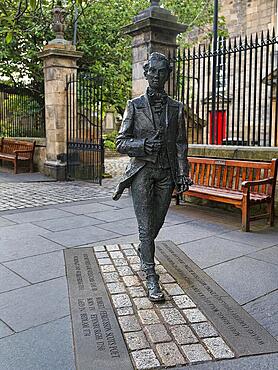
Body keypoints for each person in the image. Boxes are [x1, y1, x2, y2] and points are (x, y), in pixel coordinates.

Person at [113, 52, 192, 301]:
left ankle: (143, 250)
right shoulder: (134, 106)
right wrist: (143, 145)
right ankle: (150, 275)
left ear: (167, 75)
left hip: (166, 174)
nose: (157, 76)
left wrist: (182, 174)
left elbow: (181, 144)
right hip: (142, 173)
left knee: (156, 223)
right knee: (146, 228)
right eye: (153, 72)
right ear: (146, 74)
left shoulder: (177, 108)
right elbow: (120, 143)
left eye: (162, 72)